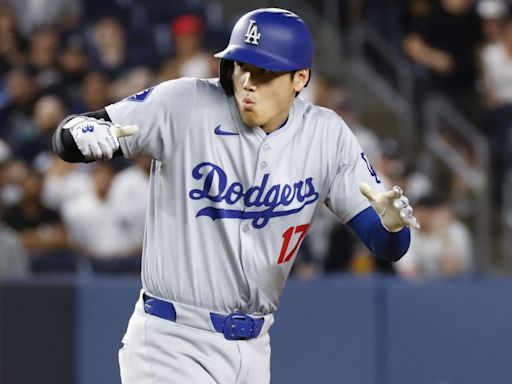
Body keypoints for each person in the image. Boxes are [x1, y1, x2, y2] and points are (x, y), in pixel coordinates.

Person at [52, 8, 419, 383]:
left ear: (300, 78)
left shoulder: (326, 136)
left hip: (255, 349)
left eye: (264, 72)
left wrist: (391, 226)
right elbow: (73, 134)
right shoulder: (186, 102)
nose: (247, 81)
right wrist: (79, 132)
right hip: (170, 340)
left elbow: (388, 245)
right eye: (241, 66)